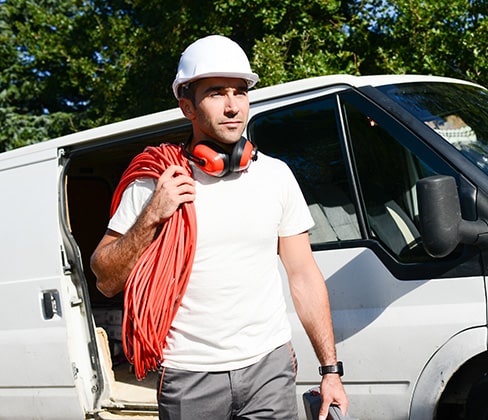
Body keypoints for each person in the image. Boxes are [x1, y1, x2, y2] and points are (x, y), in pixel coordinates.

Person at [90, 35, 348, 420]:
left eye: (239, 92)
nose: (232, 106)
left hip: (269, 369)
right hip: (189, 375)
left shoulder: (276, 176)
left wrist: (330, 371)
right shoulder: (153, 182)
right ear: (187, 107)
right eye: (216, 93)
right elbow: (105, 278)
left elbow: (303, 275)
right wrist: (153, 216)